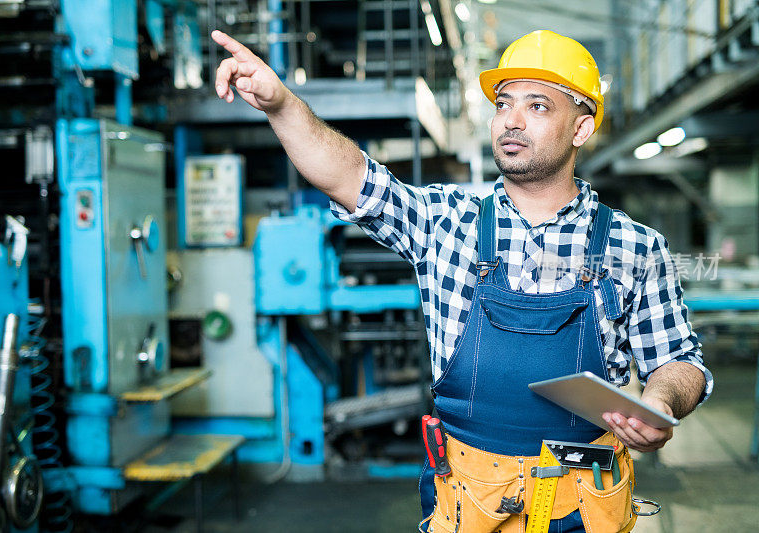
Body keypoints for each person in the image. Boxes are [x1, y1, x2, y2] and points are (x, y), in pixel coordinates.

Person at [211, 28, 712, 532]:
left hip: (585, 505)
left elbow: (679, 361)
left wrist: (660, 402)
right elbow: (348, 177)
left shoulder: (636, 246)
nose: (511, 122)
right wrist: (280, 105)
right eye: (503, 103)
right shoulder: (447, 223)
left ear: (580, 129)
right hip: (472, 502)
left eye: (538, 106)